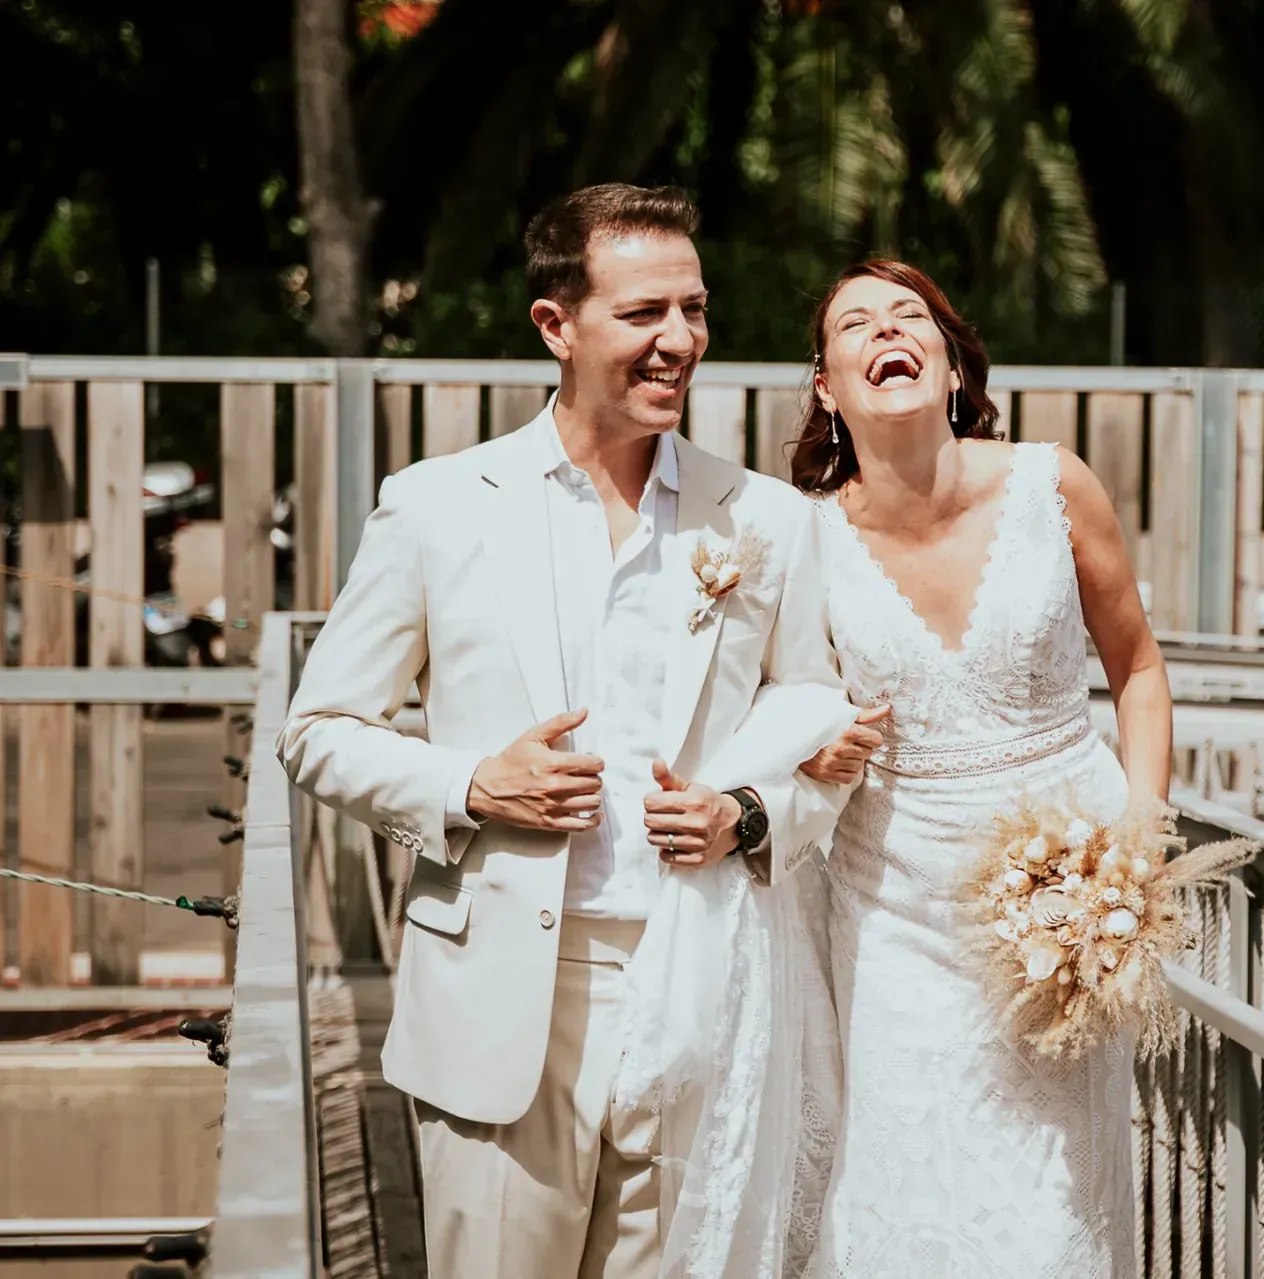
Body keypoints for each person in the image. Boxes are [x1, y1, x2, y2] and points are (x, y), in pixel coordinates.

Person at [276, 184, 852, 1279]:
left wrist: (748, 815)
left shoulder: (767, 518)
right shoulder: (440, 505)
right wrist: (472, 784)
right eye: (644, 313)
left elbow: (821, 732)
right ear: (556, 324)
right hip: (508, 996)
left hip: (708, 987)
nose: (679, 340)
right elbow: (317, 729)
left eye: (694, 308)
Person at [790, 260, 1174, 1277]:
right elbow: (785, 713)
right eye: (857, 323)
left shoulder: (1053, 483)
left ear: (953, 365)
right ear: (827, 388)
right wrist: (814, 747)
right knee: (898, 1190)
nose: (888, 330)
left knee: (1050, 1207)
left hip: (1060, 909)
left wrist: (1138, 840)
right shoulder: (808, 541)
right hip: (892, 918)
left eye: (911, 316)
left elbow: (1136, 667)